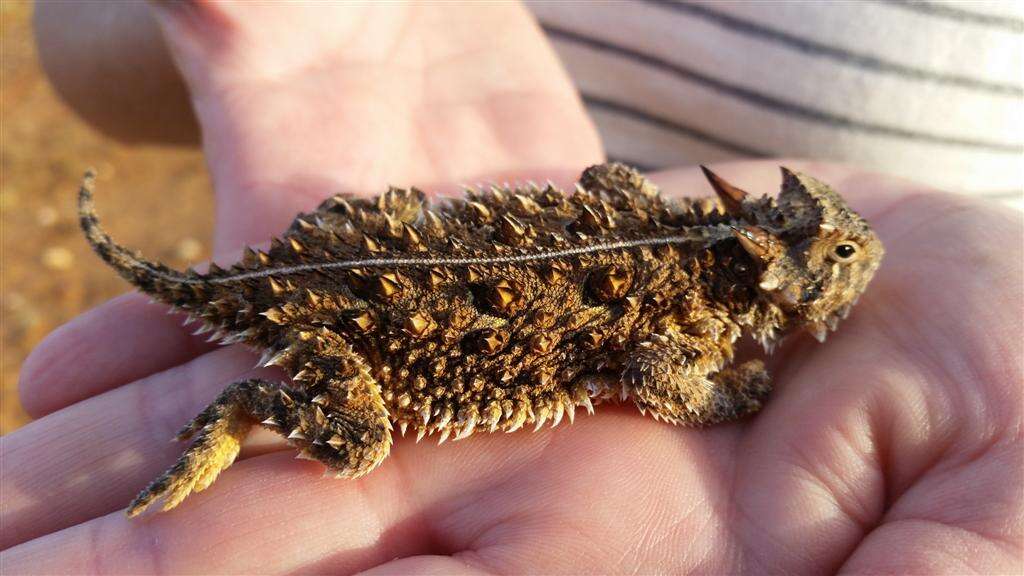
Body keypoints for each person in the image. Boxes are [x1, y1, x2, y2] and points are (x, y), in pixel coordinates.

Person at [3, 3, 1021, 573]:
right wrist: (733, 394)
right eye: (836, 252)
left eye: (840, 244)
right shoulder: (695, 318)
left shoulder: (659, 213)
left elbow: (605, 181)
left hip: (369, 243)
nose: (854, 251)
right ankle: (239, 411)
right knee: (355, 445)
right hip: (382, 337)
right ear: (768, 255)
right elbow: (663, 378)